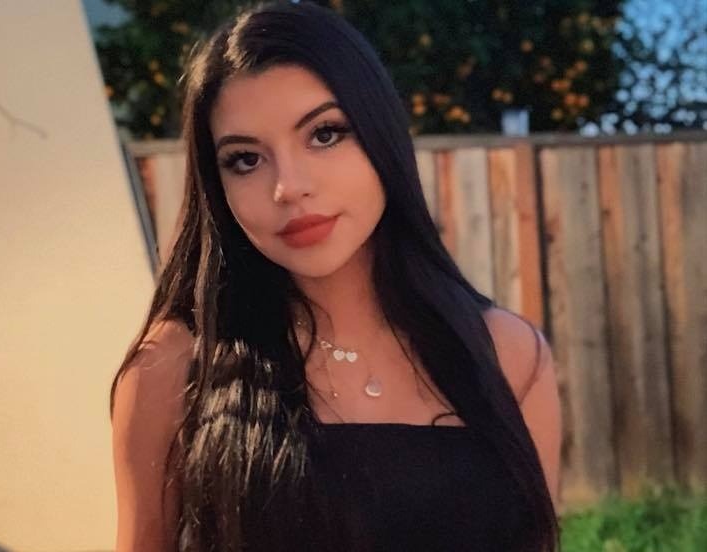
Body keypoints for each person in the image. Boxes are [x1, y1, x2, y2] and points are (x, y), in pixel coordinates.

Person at [110, 1, 562, 550]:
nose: (289, 187)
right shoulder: (172, 369)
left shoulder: (509, 355)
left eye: (324, 134)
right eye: (246, 159)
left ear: (380, 135)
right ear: (217, 187)